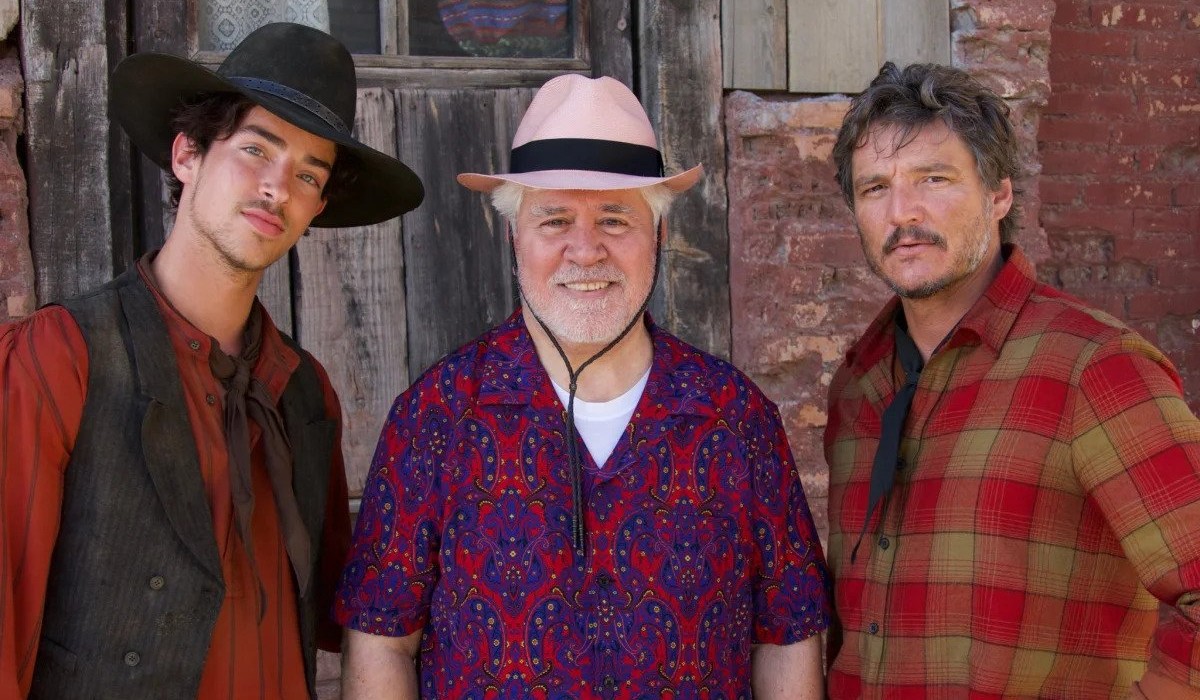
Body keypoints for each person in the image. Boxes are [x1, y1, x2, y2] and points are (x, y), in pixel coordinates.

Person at [335, 73, 831, 698]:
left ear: (660, 235)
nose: (586, 250)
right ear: (514, 235)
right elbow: (382, 638)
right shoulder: (437, 413)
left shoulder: (737, 417)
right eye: (555, 220)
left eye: (615, 220)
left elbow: (786, 635)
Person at [0, 22, 424, 699]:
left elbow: (348, 609)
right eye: (256, 149)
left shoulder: (305, 393)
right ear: (188, 154)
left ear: (316, 207)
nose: (276, 188)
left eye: (307, 175)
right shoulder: (60, 357)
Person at [823, 61, 1200, 698]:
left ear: (999, 195)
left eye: (934, 178)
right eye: (874, 188)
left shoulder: (1093, 367)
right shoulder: (859, 383)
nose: (902, 212)